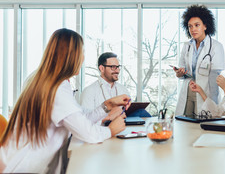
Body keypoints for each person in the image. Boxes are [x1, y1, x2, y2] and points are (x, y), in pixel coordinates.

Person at [0, 28, 131, 173]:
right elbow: (88, 133)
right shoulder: (56, 88)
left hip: (16, 162)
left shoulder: (48, 80)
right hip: (21, 168)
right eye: (82, 53)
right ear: (71, 56)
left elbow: (77, 118)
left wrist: (107, 105)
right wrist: (111, 130)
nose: (83, 59)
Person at [174, 4, 225, 116]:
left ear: (205, 26)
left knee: (203, 125)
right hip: (188, 92)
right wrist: (180, 73)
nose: (193, 29)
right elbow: (181, 74)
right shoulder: (187, 46)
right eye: (190, 26)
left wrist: (211, 102)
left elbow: (214, 77)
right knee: (185, 125)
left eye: (197, 25)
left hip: (205, 93)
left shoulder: (216, 46)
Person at [80, 52, 150, 119]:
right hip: (104, 127)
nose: (117, 71)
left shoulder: (123, 89)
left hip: (124, 124)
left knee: (141, 112)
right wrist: (111, 116)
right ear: (102, 68)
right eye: (113, 67)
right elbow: (86, 120)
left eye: (118, 67)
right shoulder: (89, 91)